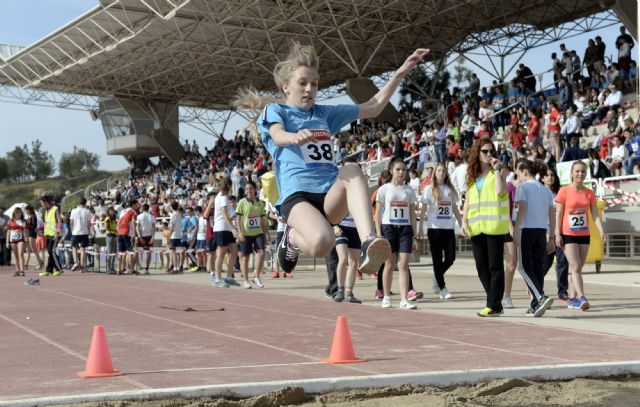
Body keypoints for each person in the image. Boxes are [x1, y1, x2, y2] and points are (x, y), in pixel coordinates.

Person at [235, 43, 429, 280]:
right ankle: (292, 238)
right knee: (322, 243)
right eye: (302, 83)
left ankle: (369, 241)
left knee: (352, 169)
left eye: (314, 84)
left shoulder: (324, 114)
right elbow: (277, 135)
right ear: (286, 87)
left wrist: (400, 73)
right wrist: (293, 137)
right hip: (298, 197)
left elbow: (374, 107)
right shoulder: (276, 111)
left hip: (329, 195)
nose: (309, 89)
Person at [461, 139, 510, 317]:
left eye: (491, 151)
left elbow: (500, 192)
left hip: (494, 226)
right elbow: (468, 200)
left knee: (495, 267)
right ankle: (495, 302)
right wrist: (464, 221)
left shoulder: (500, 171)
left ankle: (492, 304)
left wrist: (497, 170)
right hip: (476, 227)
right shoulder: (473, 175)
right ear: (477, 153)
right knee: (481, 267)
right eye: (485, 151)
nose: (489, 154)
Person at [555, 161, 606, 311]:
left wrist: (601, 230)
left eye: (583, 171)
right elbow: (558, 214)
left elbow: (595, 214)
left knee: (578, 269)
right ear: (572, 173)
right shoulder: (564, 191)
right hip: (568, 234)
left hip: (584, 234)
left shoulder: (588, 193)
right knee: (575, 266)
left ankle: (572, 299)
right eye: (577, 171)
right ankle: (582, 297)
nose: (580, 174)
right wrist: (557, 233)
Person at [512, 160, 556, 317]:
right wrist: (551, 237)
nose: (517, 176)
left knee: (523, 267)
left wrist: (516, 229)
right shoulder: (545, 190)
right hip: (541, 231)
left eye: (518, 172)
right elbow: (552, 214)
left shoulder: (523, 187)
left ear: (524, 172)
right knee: (537, 267)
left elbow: (521, 209)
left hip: (526, 230)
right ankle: (535, 303)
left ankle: (540, 297)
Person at [376, 157, 418, 310]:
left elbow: (413, 213)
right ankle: (386, 296)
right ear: (391, 171)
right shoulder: (384, 189)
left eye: (404, 170)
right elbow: (378, 213)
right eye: (398, 169)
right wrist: (379, 233)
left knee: (404, 264)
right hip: (389, 228)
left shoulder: (409, 190)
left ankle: (404, 299)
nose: (401, 172)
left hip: (405, 229)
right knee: (389, 263)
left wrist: (414, 234)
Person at [419, 162, 462, 299]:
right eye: (439, 170)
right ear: (434, 173)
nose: (441, 173)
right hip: (434, 229)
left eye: (443, 171)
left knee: (450, 258)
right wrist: (420, 228)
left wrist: (462, 225)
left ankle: (437, 276)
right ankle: (442, 288)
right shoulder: (429, 189)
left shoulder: (450, 189)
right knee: (437, 260)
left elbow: (455, 209)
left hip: (448, 228)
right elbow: (423, 209)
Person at [235, 181, 269, 289]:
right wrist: (240, 232)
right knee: (245, 257)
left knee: (261, 252)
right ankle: (245, 280)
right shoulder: (242, 202)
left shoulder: (260, 203)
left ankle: (257, 277)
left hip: (258, 232)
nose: (248, 191)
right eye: (246, 189)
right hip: (246, 233)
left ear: (255, 190)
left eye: (250, 189)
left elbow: (262, 220)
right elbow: (238, 218)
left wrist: (266, 233)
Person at [213, 178, 239, 287]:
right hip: (222, 228)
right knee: (221, 252)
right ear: (228, 186)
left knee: (234, 250)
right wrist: (233, 228)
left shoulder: (220, 197)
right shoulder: (223, 198)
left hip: (225, 228)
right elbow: (224, 215)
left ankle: (228, 277)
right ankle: (218, 278)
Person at [332, 213, 363, 303]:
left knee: (353, 262)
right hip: (341, 228)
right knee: (343, 258)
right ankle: (340, 290)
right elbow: (331, 212)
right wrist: (335, 227)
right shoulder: (341, 198)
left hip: (355, 229)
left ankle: (349, 292)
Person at [39, 195, 63, 277]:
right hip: (48, 234)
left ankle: (59, 269)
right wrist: (39, 227)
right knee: (50, 252)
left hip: (55, 234)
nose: (41, 204)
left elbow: (59, 221)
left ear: (45, 202)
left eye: (41, 203)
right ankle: (49, 271)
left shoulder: (55, 209)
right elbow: (47, 222)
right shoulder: (46, 211)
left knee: (51, 251)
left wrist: (57, 233)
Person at [69, 197, 92, 272]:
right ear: (85, 203)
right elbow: (89, 223)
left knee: (74, 248)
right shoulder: (88, 211)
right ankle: (82, 266)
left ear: (79, 203)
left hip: (75, 232)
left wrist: (72, 230)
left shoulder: (74, 210)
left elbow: (71, 222)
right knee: (83, 250)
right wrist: (88, 232)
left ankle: (76, 262)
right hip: (84, 232)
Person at [6, 207, 27, 276]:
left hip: (21, 240)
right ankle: (17, 270)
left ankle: (22, 271)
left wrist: (26, 240)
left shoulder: (23, 221)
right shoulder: (10, 221)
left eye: (20, 212)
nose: (19, 214)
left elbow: (25, 231)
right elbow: (8, 232)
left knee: (20, 253)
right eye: (17, 213)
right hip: (13, 240)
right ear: (14, 213)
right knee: (16, 256)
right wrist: (7, 241)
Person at [136, 203, 156, 274]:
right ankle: (146, 269)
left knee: (137, 251)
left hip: (142, 236)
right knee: (148, 253)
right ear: (148, 208)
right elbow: (154, 228)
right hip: (149, 236)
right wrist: (153, 238)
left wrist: (140, 237)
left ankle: (138, 266)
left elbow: (138, 227)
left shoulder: (139, 216)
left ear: (142, 208)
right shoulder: (152, 216)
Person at [23, 205, 43, 270]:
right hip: (28, 233)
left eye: (27, 210)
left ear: (30, 210)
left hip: (32, 233)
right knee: (28, 249)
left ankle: (40, 262)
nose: (26, 211)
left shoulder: (33, 216)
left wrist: (27, 224)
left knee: (33, 249)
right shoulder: (29, 216)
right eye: (25, 210)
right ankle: (26, 263)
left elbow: (34, 226)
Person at [103, 207, 118, 274]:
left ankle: (112, 267)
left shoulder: (114, 219)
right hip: (109, 236)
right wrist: (115, 230)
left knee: (114, 252)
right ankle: (108, 268)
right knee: (110, 251)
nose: (112, 212)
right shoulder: (107, 218)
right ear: (108, 211)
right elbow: (106, 228)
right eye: (111, 211)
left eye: (113, 211)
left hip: (114, 236)